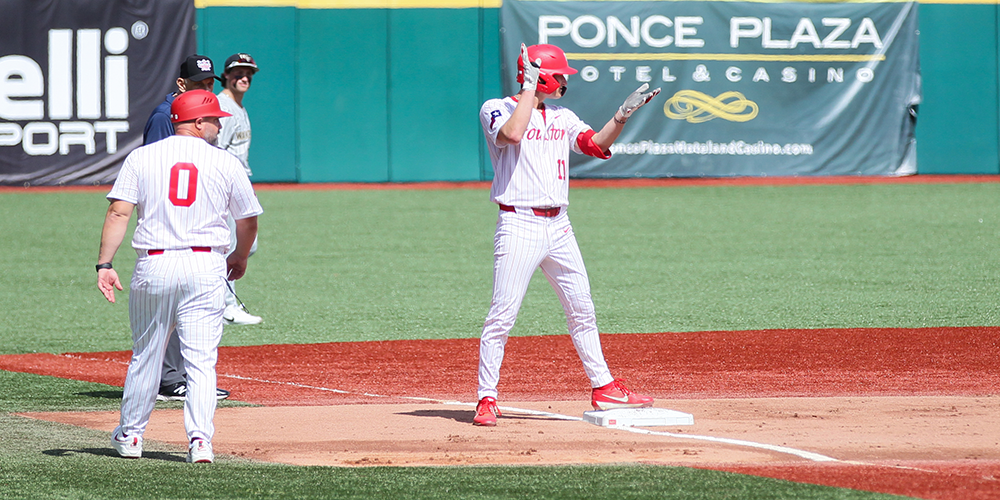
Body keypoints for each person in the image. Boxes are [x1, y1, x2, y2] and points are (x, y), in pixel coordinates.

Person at [473, 43, 661, 426]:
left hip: (559, 226)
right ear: (539, 76)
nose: (563, 82)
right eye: (558, 76)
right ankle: (486, 397)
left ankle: (603, 385)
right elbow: (511, 135)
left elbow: (594, 145)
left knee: (582, 309)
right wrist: (528, 89)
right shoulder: (496, 107)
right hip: (518, 223)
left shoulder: (562, 115)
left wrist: (622, 117)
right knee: (503, 315)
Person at [98, 90, 263, 462]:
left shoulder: (142, 156)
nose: (220, 125)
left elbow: (119, 214)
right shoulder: (225, 162)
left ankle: (131, 436)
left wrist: (105, 264)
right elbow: (248, 219)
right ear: (197, 122)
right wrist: (239, 256)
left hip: (154, 265)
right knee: (202, 360)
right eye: (215, 119)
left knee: (147, 355)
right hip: (206, 266)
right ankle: (201, 441)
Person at [141, 54, 233, 403]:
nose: (206, 88)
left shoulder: (200, 115)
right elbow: (154, 171)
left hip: (194, 222)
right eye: (199, 83)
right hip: (171, 226)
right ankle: (169, 379)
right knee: (175, 304)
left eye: (210, 83)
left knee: (188, 303)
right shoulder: (166, 117)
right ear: (182, 85)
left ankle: (178, 377)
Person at [216, 52, 262, 326]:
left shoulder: (238, 106)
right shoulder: (225, 107)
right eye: (238, 72)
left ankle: (222, 303)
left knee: (247, 245)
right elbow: (214, 150)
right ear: (226, 75)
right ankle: (225, 307)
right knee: (231, 246)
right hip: (227, 184)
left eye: (248, 73)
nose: (243, 77)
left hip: (239, 181)